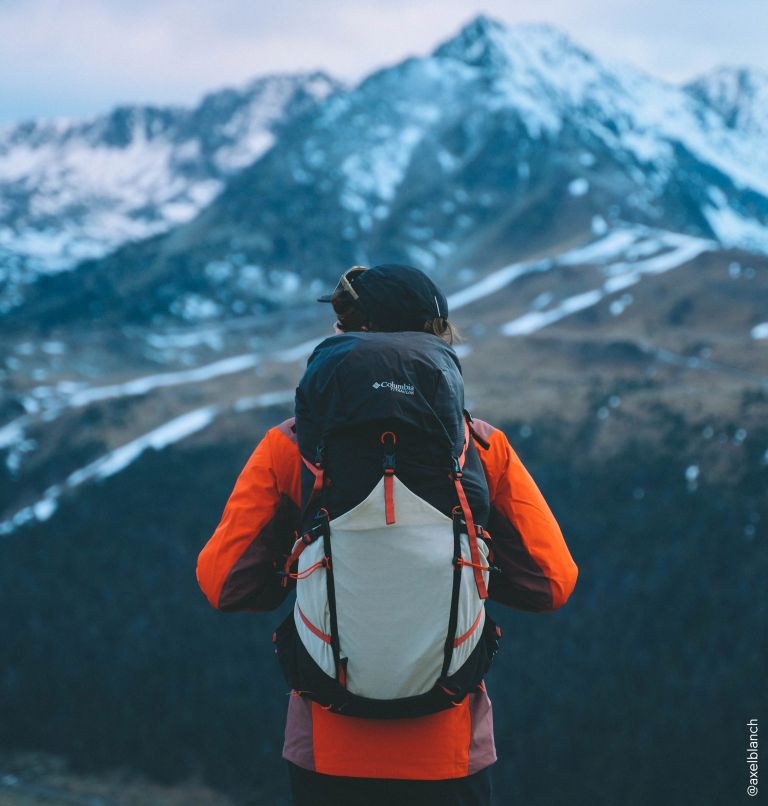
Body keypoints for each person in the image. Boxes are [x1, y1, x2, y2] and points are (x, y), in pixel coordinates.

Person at [196, 264, 578, 806]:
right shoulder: (482, 450)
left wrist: (297, 566)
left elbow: (222, 582)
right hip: (450, 758)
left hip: (329, 757)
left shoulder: (291, 448)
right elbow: (552, 582)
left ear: (351, 335)